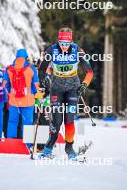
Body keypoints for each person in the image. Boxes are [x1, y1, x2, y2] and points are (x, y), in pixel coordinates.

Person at [38, 27, 93, 159]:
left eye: (67, 44)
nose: (64, 47)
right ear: (58, 41)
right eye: (62, 43)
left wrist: (84, 85)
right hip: (56, 88)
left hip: (72, 89)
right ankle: (48, 148)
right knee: (56, 121)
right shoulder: (51, 50)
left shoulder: (77, 50)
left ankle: (69, 148)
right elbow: (41, 69)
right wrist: (44, 80)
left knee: (69, 120)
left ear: (71, 42)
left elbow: (89, 72)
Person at [3, 48, 39, 138]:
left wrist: (11, 93)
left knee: (12, 122)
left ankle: (11, 143)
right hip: (28, 101)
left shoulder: (9, 69)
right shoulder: (31, 69)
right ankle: (27, 145)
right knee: (27, 123)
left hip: (14, 101)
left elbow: (5, 84)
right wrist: (33, 94)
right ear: (26, 57)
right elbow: (36, 86)